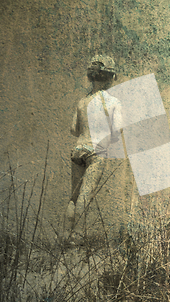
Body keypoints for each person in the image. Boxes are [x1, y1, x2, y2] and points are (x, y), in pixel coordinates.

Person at [65, 55, 123, 243]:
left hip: (78, 149)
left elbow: (73, 129)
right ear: (110, 77)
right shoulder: (113, 102)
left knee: (73, 196)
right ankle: (77, 237)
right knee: (85, 194)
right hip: (96, 151)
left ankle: (66, 234)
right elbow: (117, 131)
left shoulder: (82, 102)